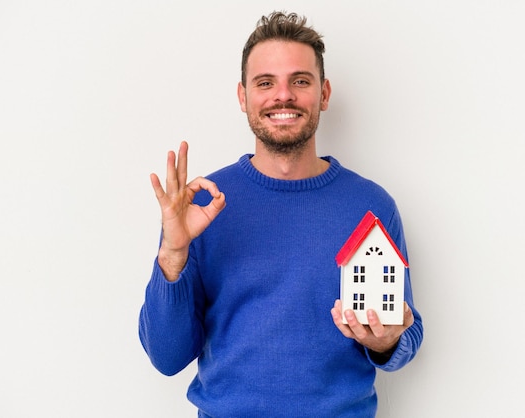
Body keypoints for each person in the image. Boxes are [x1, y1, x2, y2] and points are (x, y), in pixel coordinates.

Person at [139, 11, 423, 417]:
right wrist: (173, 255)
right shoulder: (201, 205)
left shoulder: (372, 206)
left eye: (300, 81)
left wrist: (385, 341)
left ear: (324, 94)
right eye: (265, 83)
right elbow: (167, 358)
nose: (283, 96)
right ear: (243, 97)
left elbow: (407, 332)